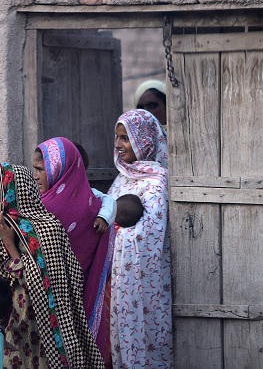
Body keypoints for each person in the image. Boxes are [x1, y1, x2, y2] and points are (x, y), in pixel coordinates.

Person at [0, 163, 105, 369]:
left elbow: (57, 279)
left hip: (51, 323)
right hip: (17, 321)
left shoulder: (48, 228)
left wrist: (11, 245)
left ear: (16, 192)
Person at [33, 137, 116, 363]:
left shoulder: (40, 210)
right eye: (34, 169)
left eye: (40, 170)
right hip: (80, 309)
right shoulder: (95, 207)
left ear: (59, 170)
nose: (35, 176)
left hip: (46, 306)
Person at [108, 109, 173, 368]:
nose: (118, 144)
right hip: (118, 277)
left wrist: (113, 228)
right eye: (117, 137)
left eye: (125, 138)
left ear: (143, 140)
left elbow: (150, 233)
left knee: (150, 334)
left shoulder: (157, 181)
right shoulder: (121, 178)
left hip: (146, 278)